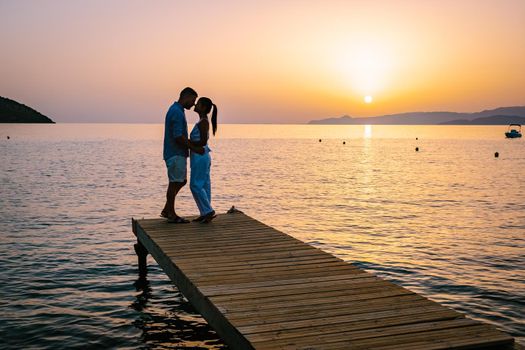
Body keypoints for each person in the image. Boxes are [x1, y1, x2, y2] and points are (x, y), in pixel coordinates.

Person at [161, 87, 204, 223]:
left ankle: (167, 209)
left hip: (176, 152)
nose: (193, 104)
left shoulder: (177, 110)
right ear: (186, 96)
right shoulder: (177, 112)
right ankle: (171, 214)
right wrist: (194, 148)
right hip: (175, 153)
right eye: (193, 100)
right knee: (175, 183)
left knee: (181, 181)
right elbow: (178, 136)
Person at [189, 97, 217, 223]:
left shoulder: (203, 122)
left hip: (200, 156)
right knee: (204, 184)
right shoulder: (202, 121)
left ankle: (208, 211)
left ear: (204, 107)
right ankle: (205, 212)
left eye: (198, 103)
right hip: (201, 155)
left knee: (195, 184)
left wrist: (187, 142)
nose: (195, 104)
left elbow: (203, 141)